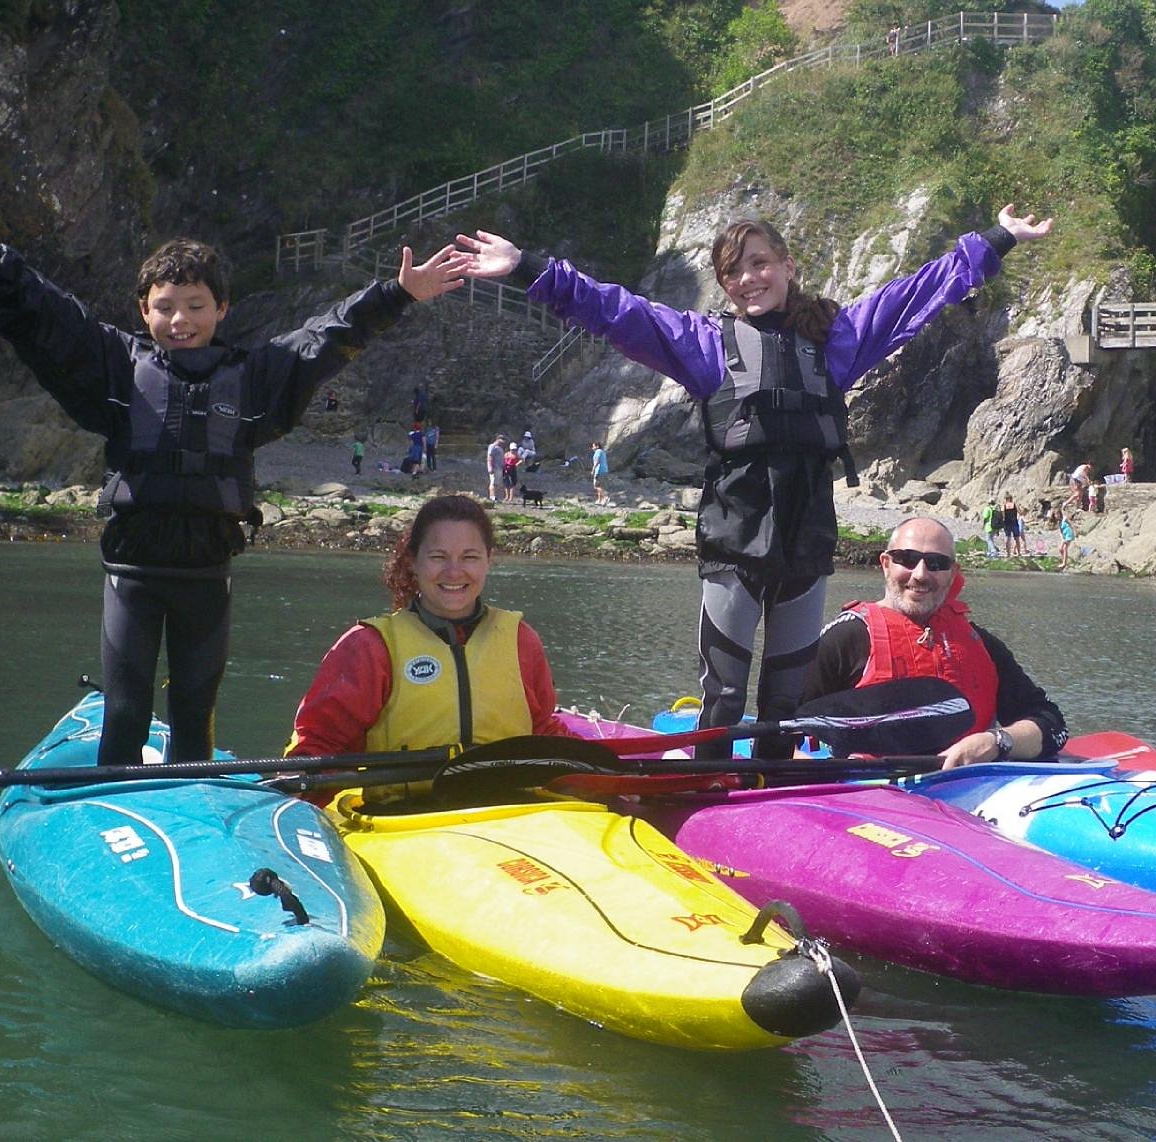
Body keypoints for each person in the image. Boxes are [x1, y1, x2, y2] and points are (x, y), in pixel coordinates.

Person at [455, 204, 1053, 759]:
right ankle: (705, 786)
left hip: (805, 541)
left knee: (785, 702)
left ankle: (774, 786)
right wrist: (529, 269)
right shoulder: (707, 345)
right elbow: (617, 311)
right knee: (724, 695)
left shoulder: (835, 341)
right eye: (733, 272)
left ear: (788, 267)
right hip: (735, 540)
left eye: (760, 264)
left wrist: (996, 239)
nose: (748, 279)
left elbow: (913, 296)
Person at [0, 187, 466, 769]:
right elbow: (46, 316)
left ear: (222, 310)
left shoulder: (254, 378)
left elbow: (328, 336)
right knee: (126, 711)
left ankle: (195, 806)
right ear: (144, 310)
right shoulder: (117, 368)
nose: (181, 320)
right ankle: (115, 809)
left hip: (207, 574)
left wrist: (398, 293)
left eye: (197, 305)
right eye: (166, 306)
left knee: (195, 713)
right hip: (133, 574)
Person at [287, 495, 570, 762]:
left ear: (488, 560)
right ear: (413, 562)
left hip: (512, 805)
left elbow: (543, 729)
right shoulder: (369, 646)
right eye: (438, 557)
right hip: (402, 809)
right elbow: (320, 744)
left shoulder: (521, 639)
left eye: (469, 557)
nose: (454, 572)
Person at [801, 517, 1067, 769]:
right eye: (907, 559)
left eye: (936, 563)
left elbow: (1051, 723)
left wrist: (997, 742)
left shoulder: (983, 645)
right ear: (885, 564)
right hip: (870, 795)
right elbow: (784, 727)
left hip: (969, 790)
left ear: (953, 574)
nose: (920, 574)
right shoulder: (844, 637)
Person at [1000, 493, 1024, 559]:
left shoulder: (1004, 506)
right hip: (1014, 522)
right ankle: (1019, 553)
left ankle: (1008, 554)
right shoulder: (1015, 504)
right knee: (1017, 538)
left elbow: (1002, 515)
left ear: (1006, 499)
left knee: (1008, 538)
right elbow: (1020, 513)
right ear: (1011, 499)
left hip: (1007, 523)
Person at [485, 433, 507, 501]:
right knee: (493, 482)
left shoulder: (500, 448)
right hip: (494, 467)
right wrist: (490, 467)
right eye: (502, 439)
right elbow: (490, 457)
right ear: (497, 439)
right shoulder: (492, 446)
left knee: (497, 483)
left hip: (499, 468)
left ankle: (495, 496)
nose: (503, 441)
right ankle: (492, 497)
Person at [589, 440, 611, 506]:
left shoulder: (598, 451)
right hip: (605, 470)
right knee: (601, 486)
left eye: (593, 446)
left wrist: (593, 469)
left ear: (597, 446)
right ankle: (599, 500)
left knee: (596, 486)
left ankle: (605, 497)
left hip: (599, 470)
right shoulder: (603, 452)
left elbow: (597, 461)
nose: (592, 448)